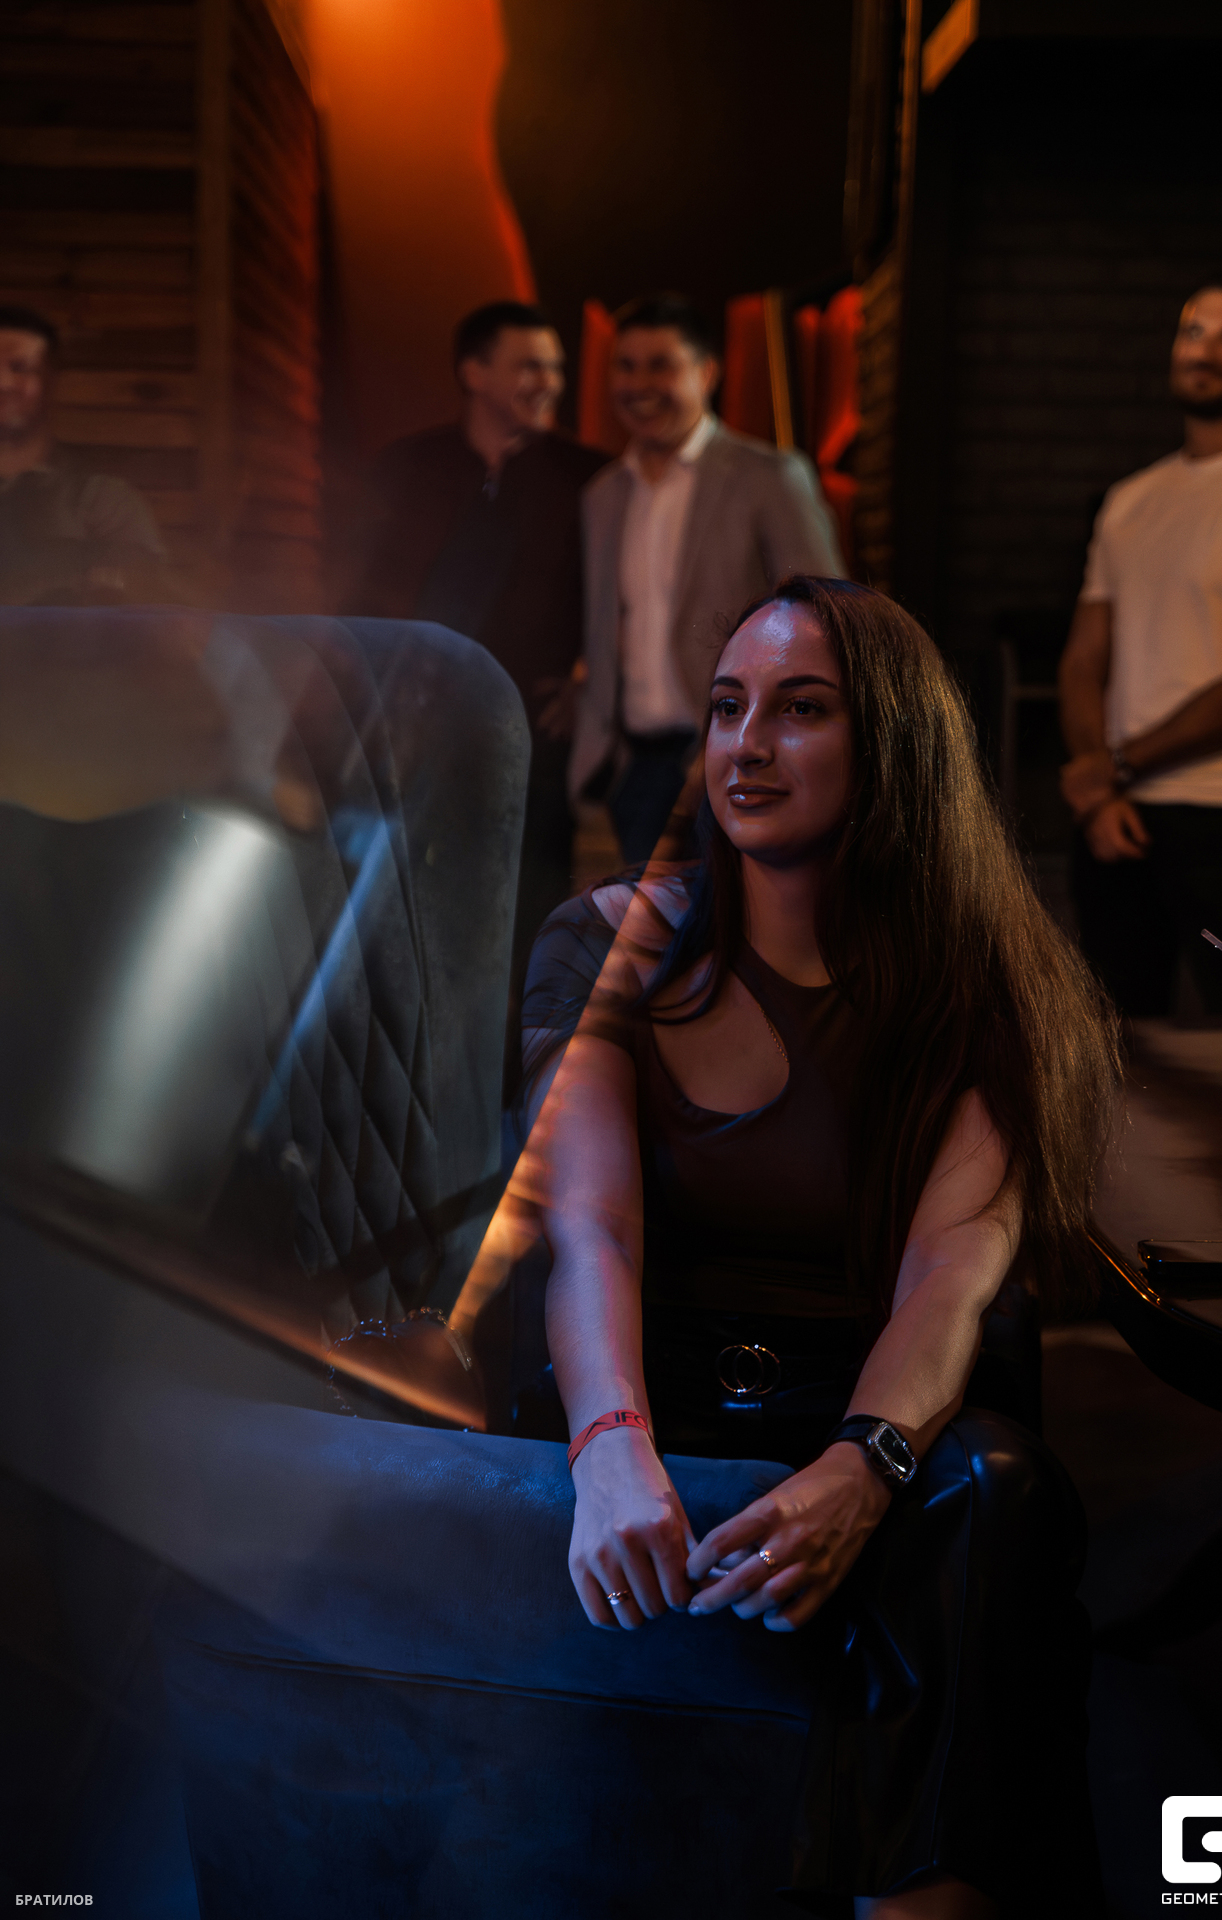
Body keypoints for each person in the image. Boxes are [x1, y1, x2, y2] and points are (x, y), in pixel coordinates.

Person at [459, 577, 1118, 1915]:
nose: (745, 746)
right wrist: (611, 1446)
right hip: (639, 1373)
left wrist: (865, 1466)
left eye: (800, 710)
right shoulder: (612, 938)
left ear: (893, 749)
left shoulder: (985, 976)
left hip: (866, 1390)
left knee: (993, 1488)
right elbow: (590, 1229)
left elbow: (951, 1275)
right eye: (725, 707)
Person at [348, 300, 609, 1036]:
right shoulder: (406, 468)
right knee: (412, 915)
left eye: (555, 367)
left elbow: (627, 598)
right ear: (473, 372)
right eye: (530, 365)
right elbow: (359, 594)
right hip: (413, 734)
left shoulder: (587, 478)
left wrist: (588, 681)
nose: (549, 381)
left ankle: (517, 1076)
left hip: (532, 739)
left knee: (531, 921)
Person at [1059, 272, 1222, 1017]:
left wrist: (1113, 768)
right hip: (1117, 813)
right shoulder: (1131, 500)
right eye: (1193, 331)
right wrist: (1101, 791)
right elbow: (1083, 660)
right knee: (1111, 1035)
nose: (1204, 350)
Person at [571, 293, 846, 866]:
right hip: (637, 768)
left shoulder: (769, 477)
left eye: (660, 365)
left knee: (742, 919)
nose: (639, 384)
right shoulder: (602, 495)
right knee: (653, 922)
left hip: (744, 755)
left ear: (707, 373)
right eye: (626, 366)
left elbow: (825, 617)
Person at [0, 305, 170, 606]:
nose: (3, 383)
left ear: (51, 379)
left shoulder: (102, 497)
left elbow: (147, 596)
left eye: (20, 367)